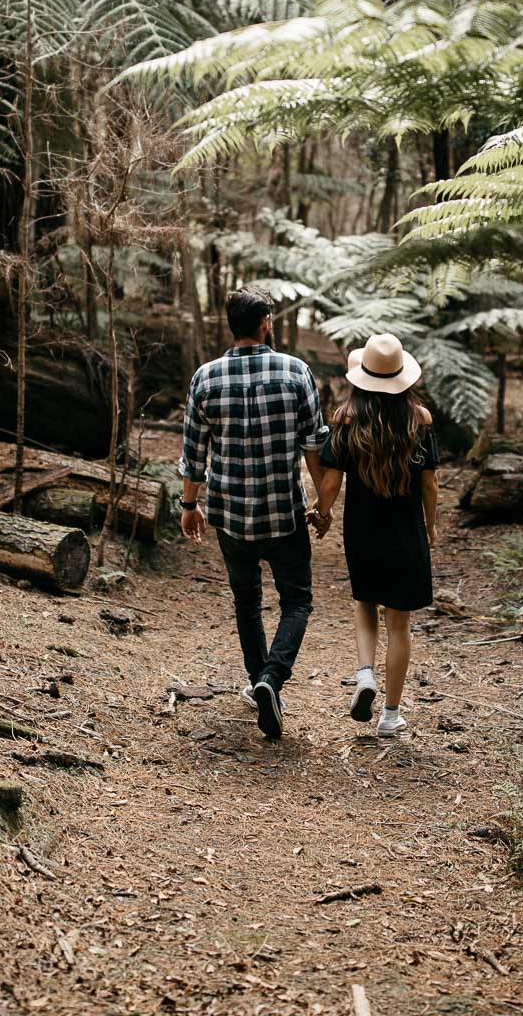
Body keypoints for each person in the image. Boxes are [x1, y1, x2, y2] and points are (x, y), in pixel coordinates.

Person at [177, 286, 329, 741]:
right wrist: (323, 503)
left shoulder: (205, 378)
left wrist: (189, 505)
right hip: (284, 513)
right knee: (297, 601)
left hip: (231, 516)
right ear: (265, 323)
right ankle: (271, 680)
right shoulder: (295, 371)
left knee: (246, 602)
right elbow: (314, 444)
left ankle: (259, 682)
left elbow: (193, 455)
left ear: (231, 325)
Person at [310, 333, 438, 737]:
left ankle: (365, 673)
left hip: (362, 530)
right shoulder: (419, 421)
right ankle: (390, 715)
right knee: (400, 623)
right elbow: (430, 483)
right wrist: (431, 526)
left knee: (365, 602)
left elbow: (332, 480)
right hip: (406, 532)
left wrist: (321, 513)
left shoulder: (346, 420)